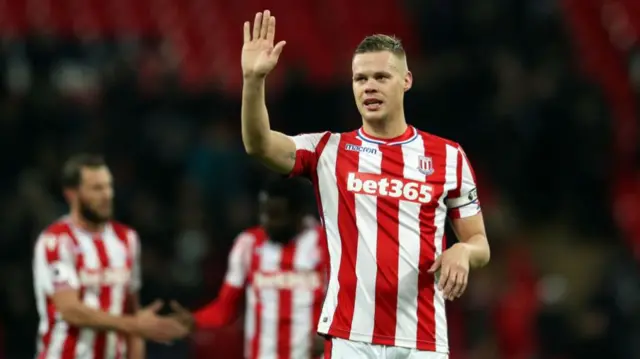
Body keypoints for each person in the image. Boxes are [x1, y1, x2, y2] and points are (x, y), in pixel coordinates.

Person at [239, 10, 491, 359]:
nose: (369, 86)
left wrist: (463, 251)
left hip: (423, 339)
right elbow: (259, 144)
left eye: (381, 77)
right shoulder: (327, 150)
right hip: (350, 338)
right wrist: (253, 81)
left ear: (406, 80)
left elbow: (480, 243)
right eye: (360, 79)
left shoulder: (448, 157)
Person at [32, 154, 187, 359]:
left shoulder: (127, 239)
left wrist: (137, 331)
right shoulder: (56, 241)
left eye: (108, 186)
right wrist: (134, 325)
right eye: (97, 188)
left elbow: (132, 310)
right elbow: (70, 310)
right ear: (72, 194)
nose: (107, 195)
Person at [169, 178, 328, 359]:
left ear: (299, 214)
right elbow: (225, 308)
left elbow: (346, 301)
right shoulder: (248, 244)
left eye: (276, 215)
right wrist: (195, 320)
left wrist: (331, 336)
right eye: (265, 214)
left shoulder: (326, 244)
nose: (267, 222)